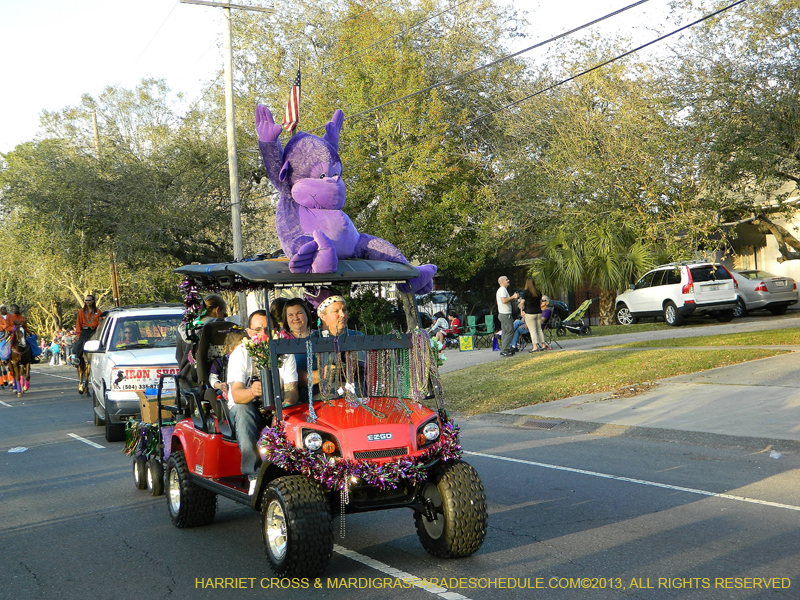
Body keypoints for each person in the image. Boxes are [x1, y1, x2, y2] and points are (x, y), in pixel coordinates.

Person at [227, 309, 298, 494]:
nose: (263, 334)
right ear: (249, 332)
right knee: (243, 412)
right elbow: (236, 395)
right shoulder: (240, 354)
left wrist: (286, 406)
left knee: (298, 413)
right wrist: (252, 391)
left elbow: (292, 390)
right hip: (247, 407)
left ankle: (298, 470)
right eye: (258, 330)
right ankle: (254, 475)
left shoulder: (284, 351)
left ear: (276, 331)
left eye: (268, 329)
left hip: (276, 405)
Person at [176, 294, 228, 393]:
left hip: (186, 382)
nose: (224, 316)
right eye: (224, 312)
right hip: (213, 384)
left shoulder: (183, 329)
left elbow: (179, 357)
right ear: (217, 310)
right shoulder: (220, 328)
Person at [280, 298, 315, 398]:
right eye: (290, 315)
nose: (295, 318)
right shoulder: (281, 339)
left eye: (299, 313)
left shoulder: (319, 336)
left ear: (306, 314)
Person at [70, 295, 101, 366]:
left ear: (93, 301)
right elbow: (78, 323)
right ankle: (77, 358)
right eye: (86, 300)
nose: (87, 302)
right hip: (85, 330)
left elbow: (100, 321)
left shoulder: (98, 311)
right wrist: (78, 334)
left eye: (89, 300)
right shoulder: (81, 311)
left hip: (95, 330)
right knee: (80, 343)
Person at [521, 278, 547, 352]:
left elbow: (522, 302)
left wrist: (522, 310)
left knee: (532, 330)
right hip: (538, 312)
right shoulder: (538, 292)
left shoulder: (526, 292)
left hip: (530, 313)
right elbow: (540, 302)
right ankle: (543, 345)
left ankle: (534, 347)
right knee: (539, 329)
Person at [496, 276, 519, 356]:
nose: (508, 280)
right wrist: (513, 297)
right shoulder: (502, 289)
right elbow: (504, 301)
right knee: (510, 332)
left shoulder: (502, 290)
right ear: (502, 282)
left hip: (502, 314)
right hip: (505, 314)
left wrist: (513, 298)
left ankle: (504, 349)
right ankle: (504, 350)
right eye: (506, 280)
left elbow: (506, 300)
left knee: (505, 332)